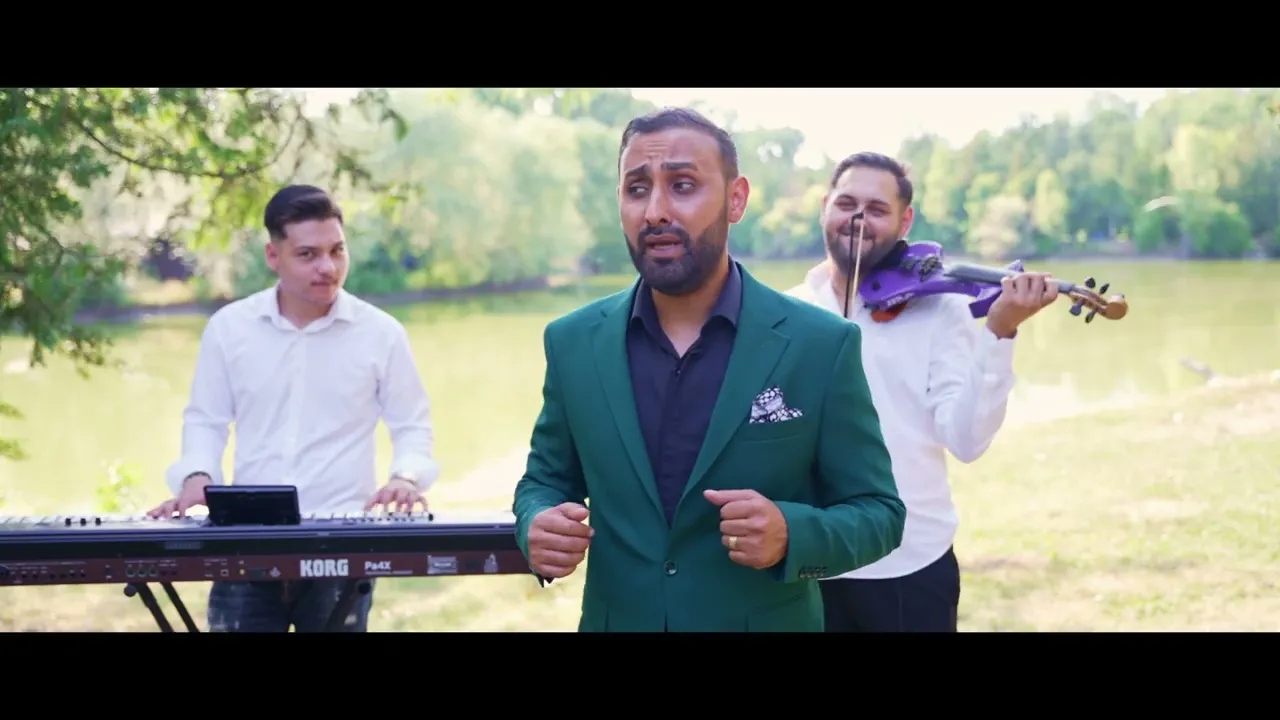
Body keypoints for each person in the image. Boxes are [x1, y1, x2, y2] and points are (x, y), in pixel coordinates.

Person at [511, 108, 906, 632]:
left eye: (683, 185)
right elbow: (544, 480)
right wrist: (535, 522)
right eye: (636, 189)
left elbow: (879, 513)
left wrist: (792, 534)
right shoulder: (572, 342)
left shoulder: (821, 345)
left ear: (735, 199)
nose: (655, 211)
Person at [147, 184, 440, 633]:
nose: (328, 267)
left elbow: (412, 425)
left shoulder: (382, 334)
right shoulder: (229, 329)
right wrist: (197, 477)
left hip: (343, 540)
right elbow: (206, 420)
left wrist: (405, 478)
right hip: (245, 540)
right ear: (273, 255)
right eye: (308, 255)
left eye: (337, 250)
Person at [786, 152, 1059, 632]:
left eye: (877, 209)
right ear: (825, 206)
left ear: (905, 220)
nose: (858, 218)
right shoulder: (790, 311)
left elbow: (966, 440)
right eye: (846, 203)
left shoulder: (941, 310)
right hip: (810, 561)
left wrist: (999, 332)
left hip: (909, 564)